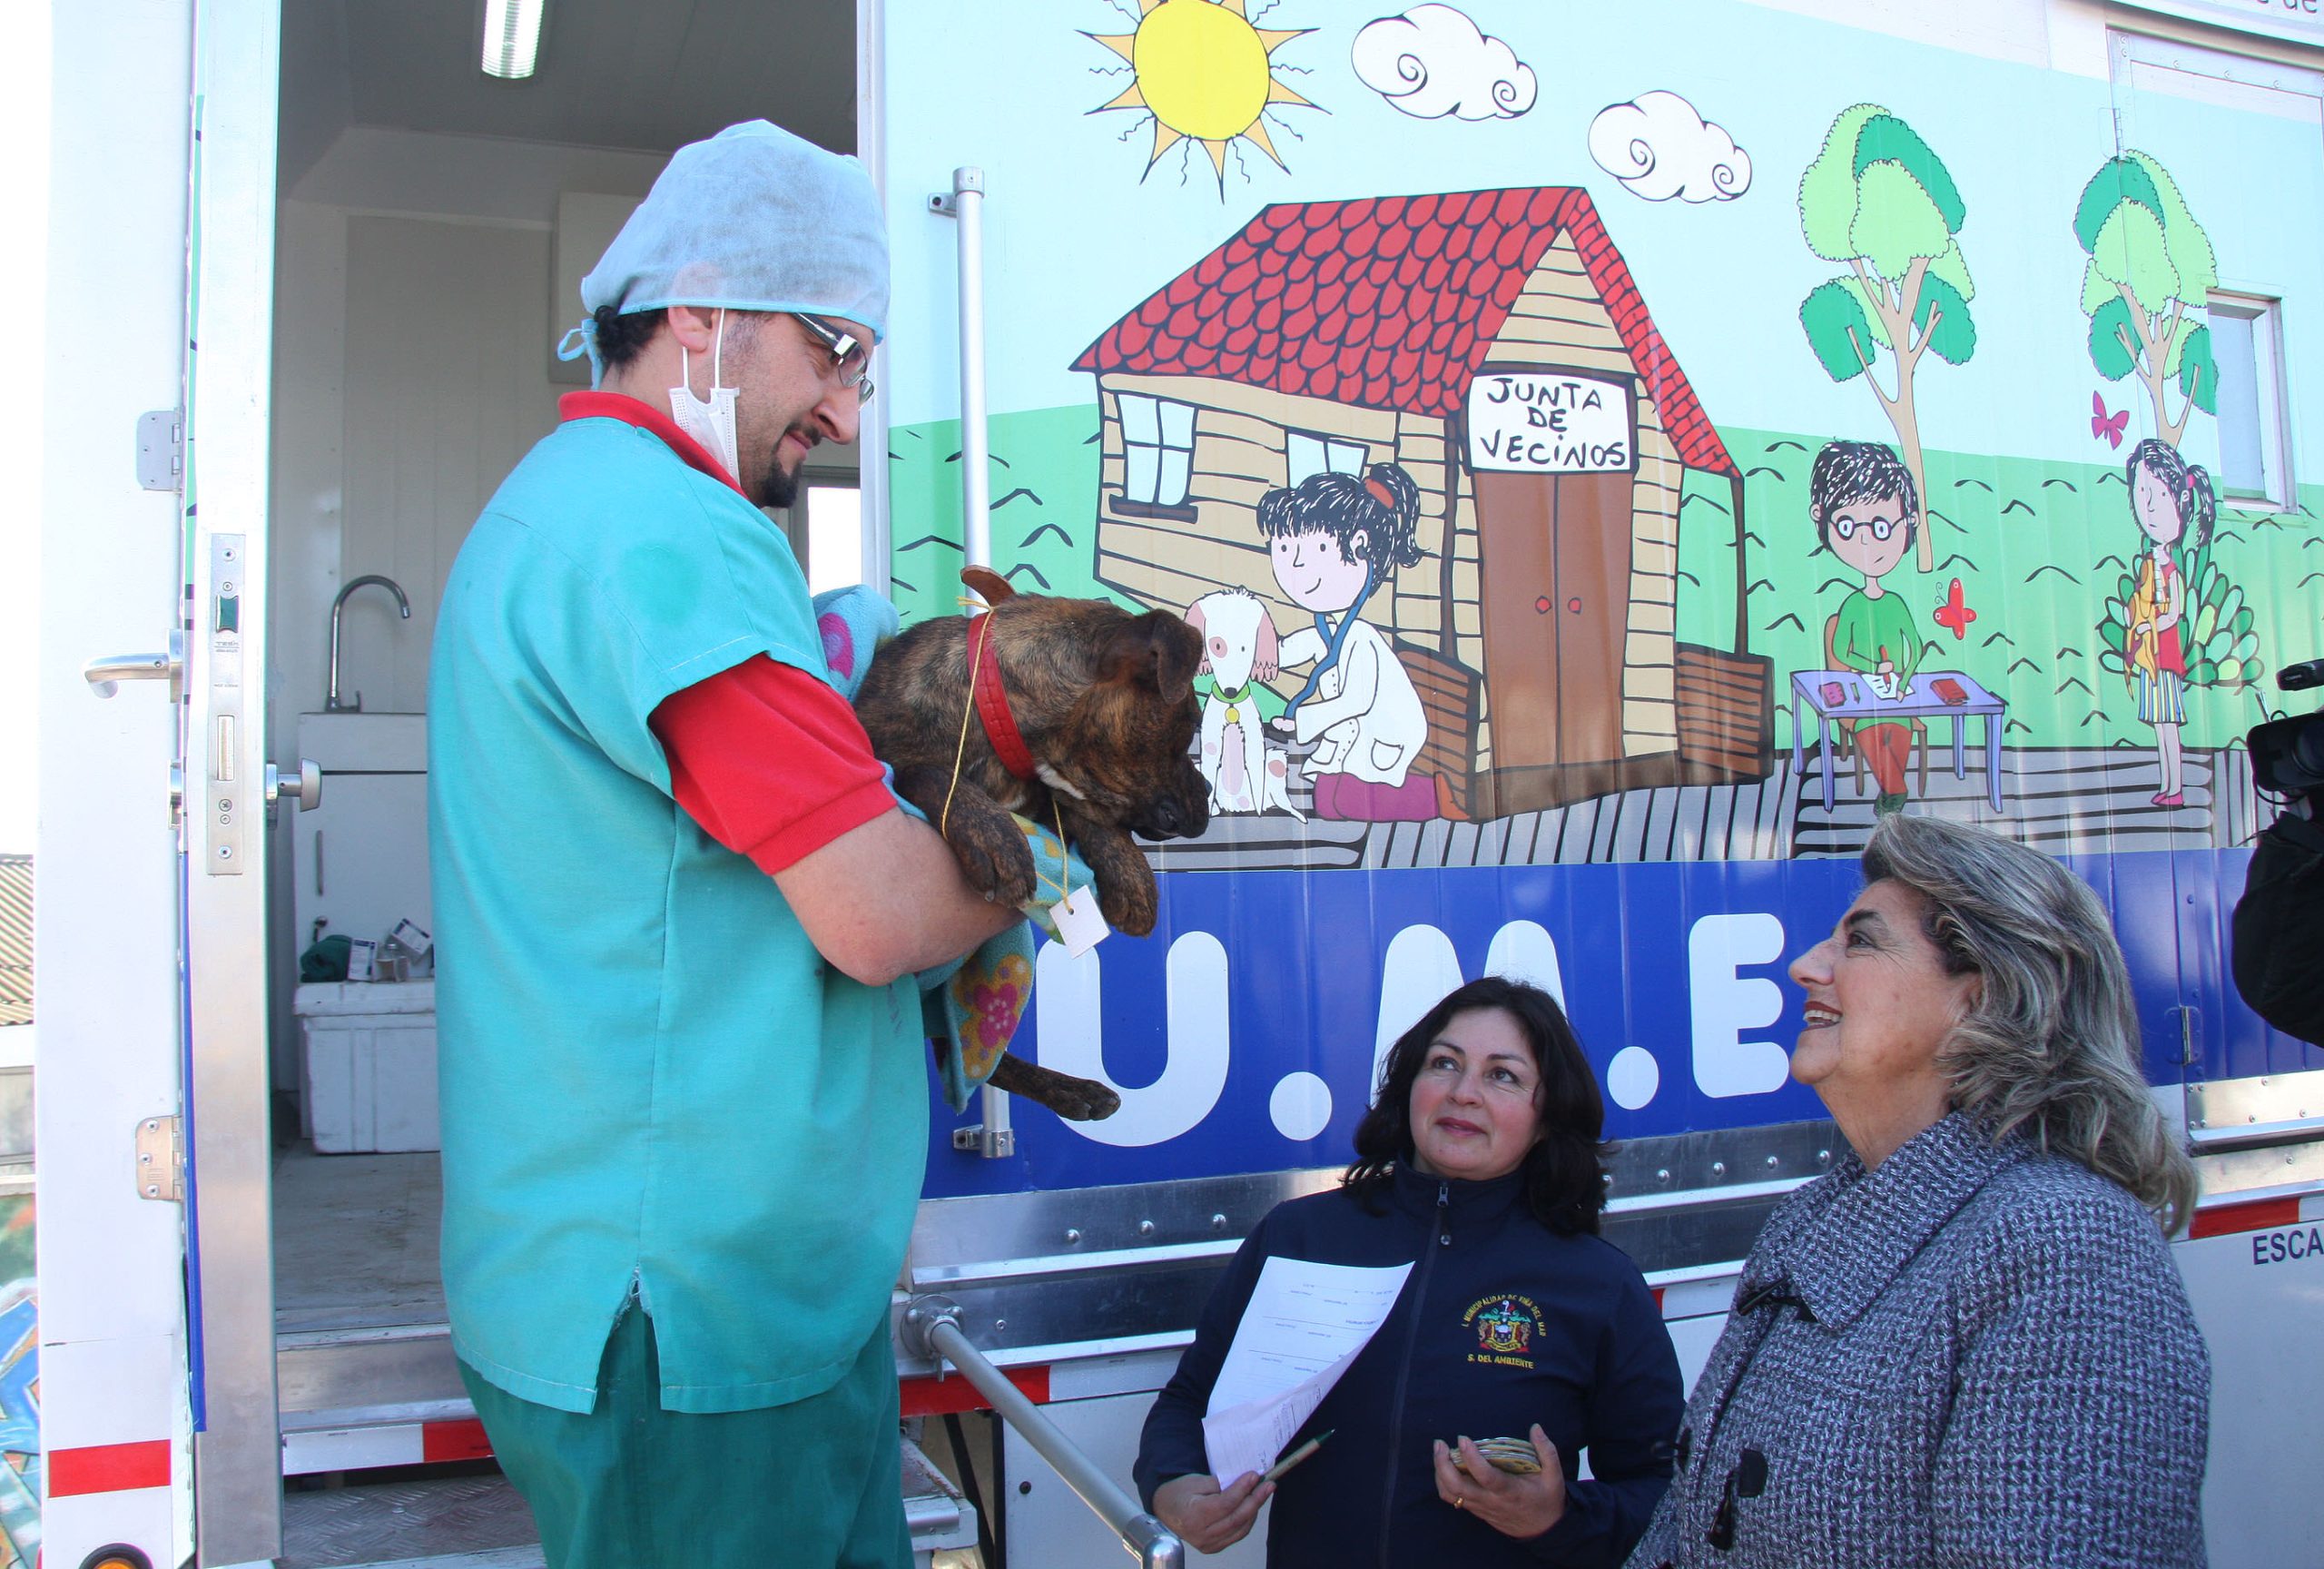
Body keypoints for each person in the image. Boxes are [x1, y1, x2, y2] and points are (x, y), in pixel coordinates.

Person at [428, 122, 1026, 1567]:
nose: (845, 400)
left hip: (650, 1285)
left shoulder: (558, 513)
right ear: (699, 311)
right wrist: (1034, 843)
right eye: (831, 347)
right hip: (687, 1316)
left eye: (863, 365)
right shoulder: (663, 534)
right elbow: (879, 912)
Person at [1624, 815, 2210, 1569]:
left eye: (1860, 941)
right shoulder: (1810, 1222)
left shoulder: (2068, 1248)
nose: (1806, 965)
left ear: (1984, 995)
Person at [1136, 977, 1682, 1566]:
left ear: (1546, 1116)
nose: (1463, 1093)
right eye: (1444, 1063)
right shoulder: (1300, 1237)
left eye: (1503, 1075)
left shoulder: (1596, 1284)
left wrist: (1556, 1519)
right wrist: (1172, 1486)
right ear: (1410, 1086)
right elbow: (1190, 1402)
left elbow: (1670, 1495)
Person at [1260, 464, 1438, 821]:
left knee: (1338, 802)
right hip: (1354, 737)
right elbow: (1294, 649)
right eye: (1284, 548)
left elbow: (1356, 700)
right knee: (1328, 798)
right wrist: (1255, 653)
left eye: (1318, 547)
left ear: (1359, 547)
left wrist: (1300, 723)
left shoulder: (1361, 637)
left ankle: (1435, 799)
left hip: (1383, 739)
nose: (1296, 564)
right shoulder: (1329, 628)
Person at [1809, 439, 1924, 815]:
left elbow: (1916, 645)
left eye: (1880, 526)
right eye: (1847, 525)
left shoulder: (1896, 603)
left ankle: (1893, 789)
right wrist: (1874, 669)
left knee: (1898, 727)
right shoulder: (1853, 605)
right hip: (1861, 692)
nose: (1864, 539)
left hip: (1895, 693)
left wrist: (1904, 679)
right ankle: (1895, 790)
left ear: (1908, 523)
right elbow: (1841, 651)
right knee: (1872, 728)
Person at [2122, 437, 2217, 807]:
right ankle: (2168, 785)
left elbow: (2174, 612)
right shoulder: (2150, 564)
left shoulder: (2170, 568)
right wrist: (2136, 619)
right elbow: (2142, 604)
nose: (2147, 504)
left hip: (2164, 659)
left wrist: (2149, 626)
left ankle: (2175, 787)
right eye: (2141, 491)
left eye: (2158, 494)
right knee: (2160, 727)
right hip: (2149, 656)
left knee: (2169, 728)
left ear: (2180, 504)